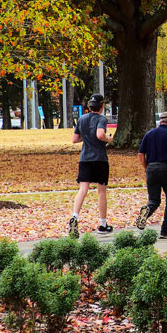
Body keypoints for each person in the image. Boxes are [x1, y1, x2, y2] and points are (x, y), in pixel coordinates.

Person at [69, 93, 113, 237]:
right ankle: (102, 223)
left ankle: (74, 216)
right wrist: (109, 139)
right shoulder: (102, 119)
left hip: (85, 158)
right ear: (101, 106)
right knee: (101, 191)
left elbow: (75, 139)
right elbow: (100, 135)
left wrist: (87, 136)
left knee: (83, 189)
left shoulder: (82, 119)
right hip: (99, 158)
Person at [135, 112, 167, 238]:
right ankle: (165, 230)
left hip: (151, 169)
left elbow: (140, 154)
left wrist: (147, 167)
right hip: (166, 168)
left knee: (154, 200)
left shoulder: (149, 134)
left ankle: (146, 212)